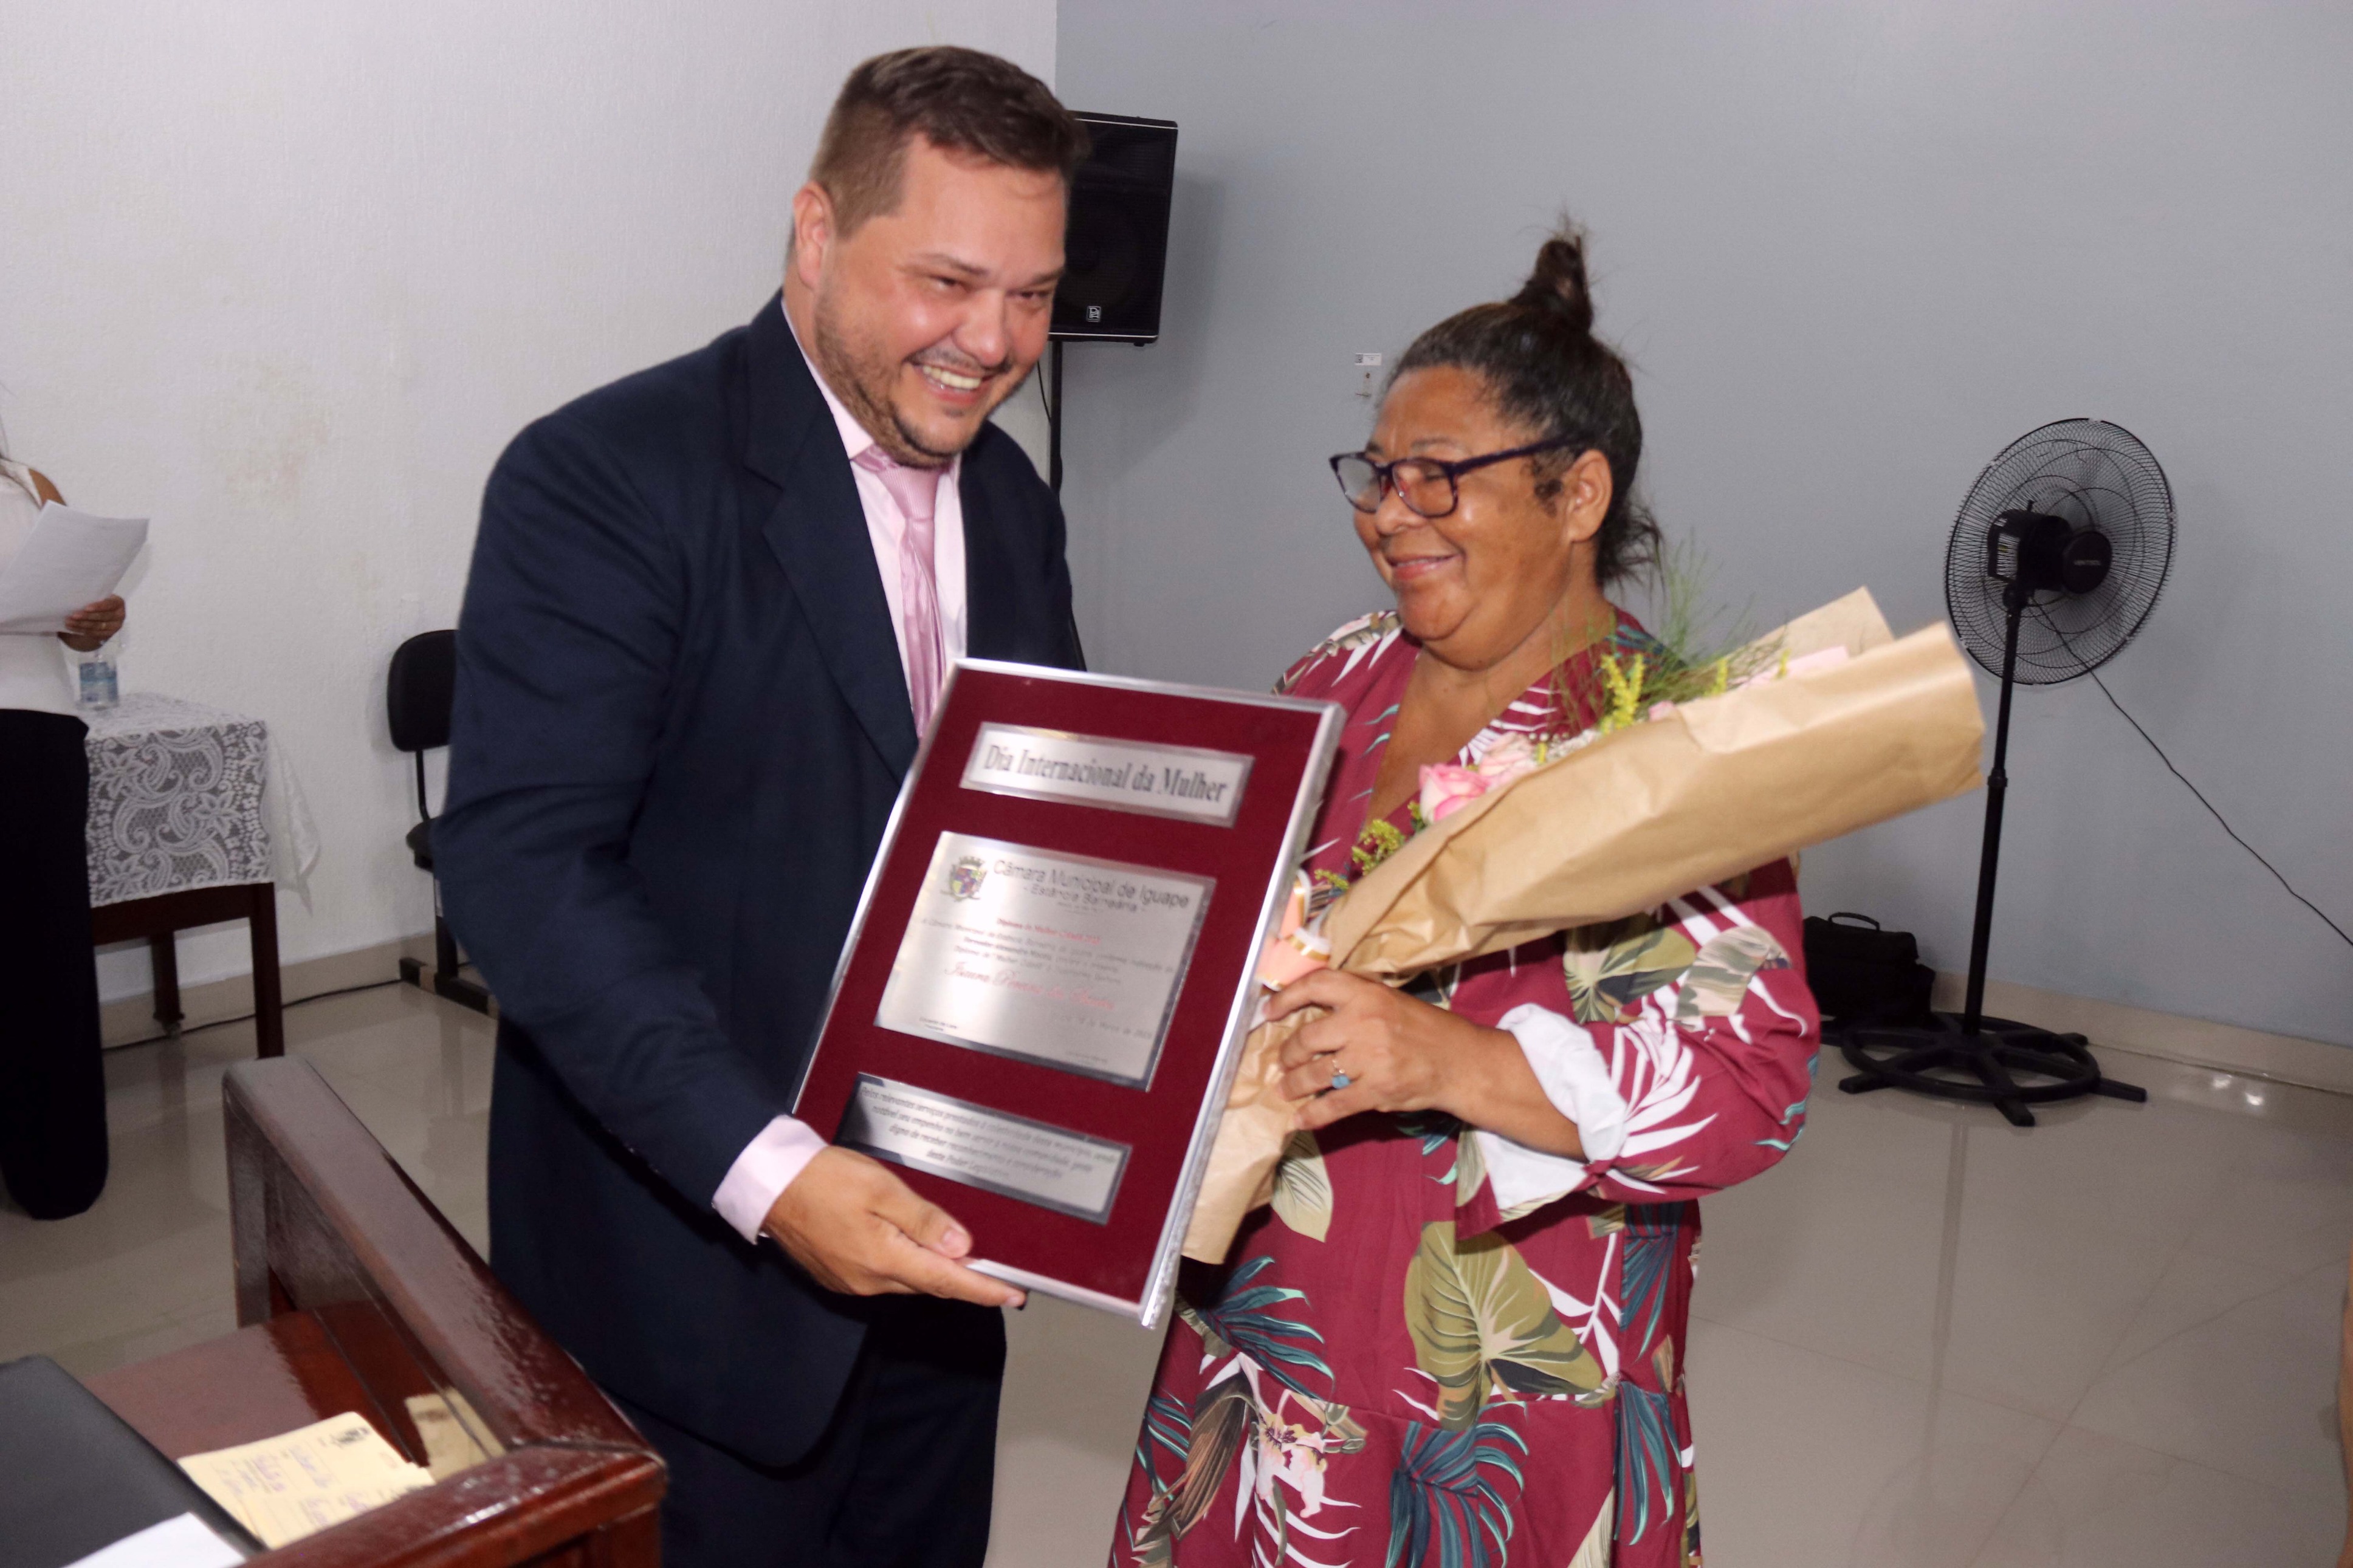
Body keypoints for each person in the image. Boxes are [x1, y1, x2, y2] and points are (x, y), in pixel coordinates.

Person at [434, 47, 1087, 1568]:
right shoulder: (605, 474)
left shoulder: (1010, 496)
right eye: (946, 282)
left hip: (941, 1263)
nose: (994, 341)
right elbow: (526, 871)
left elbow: (1031, 818)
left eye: (1035, 295)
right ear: (814, 233)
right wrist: (773, 1174)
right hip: (692, 1276)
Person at [1111, 230, 1819, 1567]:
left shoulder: (1667, 745)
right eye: (1378, 475)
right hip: (1275, 1320)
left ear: (1577, 492)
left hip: (1504, 1372)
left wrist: (1449, 1060)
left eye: (1438, 475)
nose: (1390, 513)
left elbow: (1751, 1092)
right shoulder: (1335, 677)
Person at [0, 448, 127, 1221]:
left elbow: (78, 630)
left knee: (47, 952)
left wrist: (97, 622)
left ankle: (58, 1168)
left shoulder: (27, 485)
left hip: (36, 738)